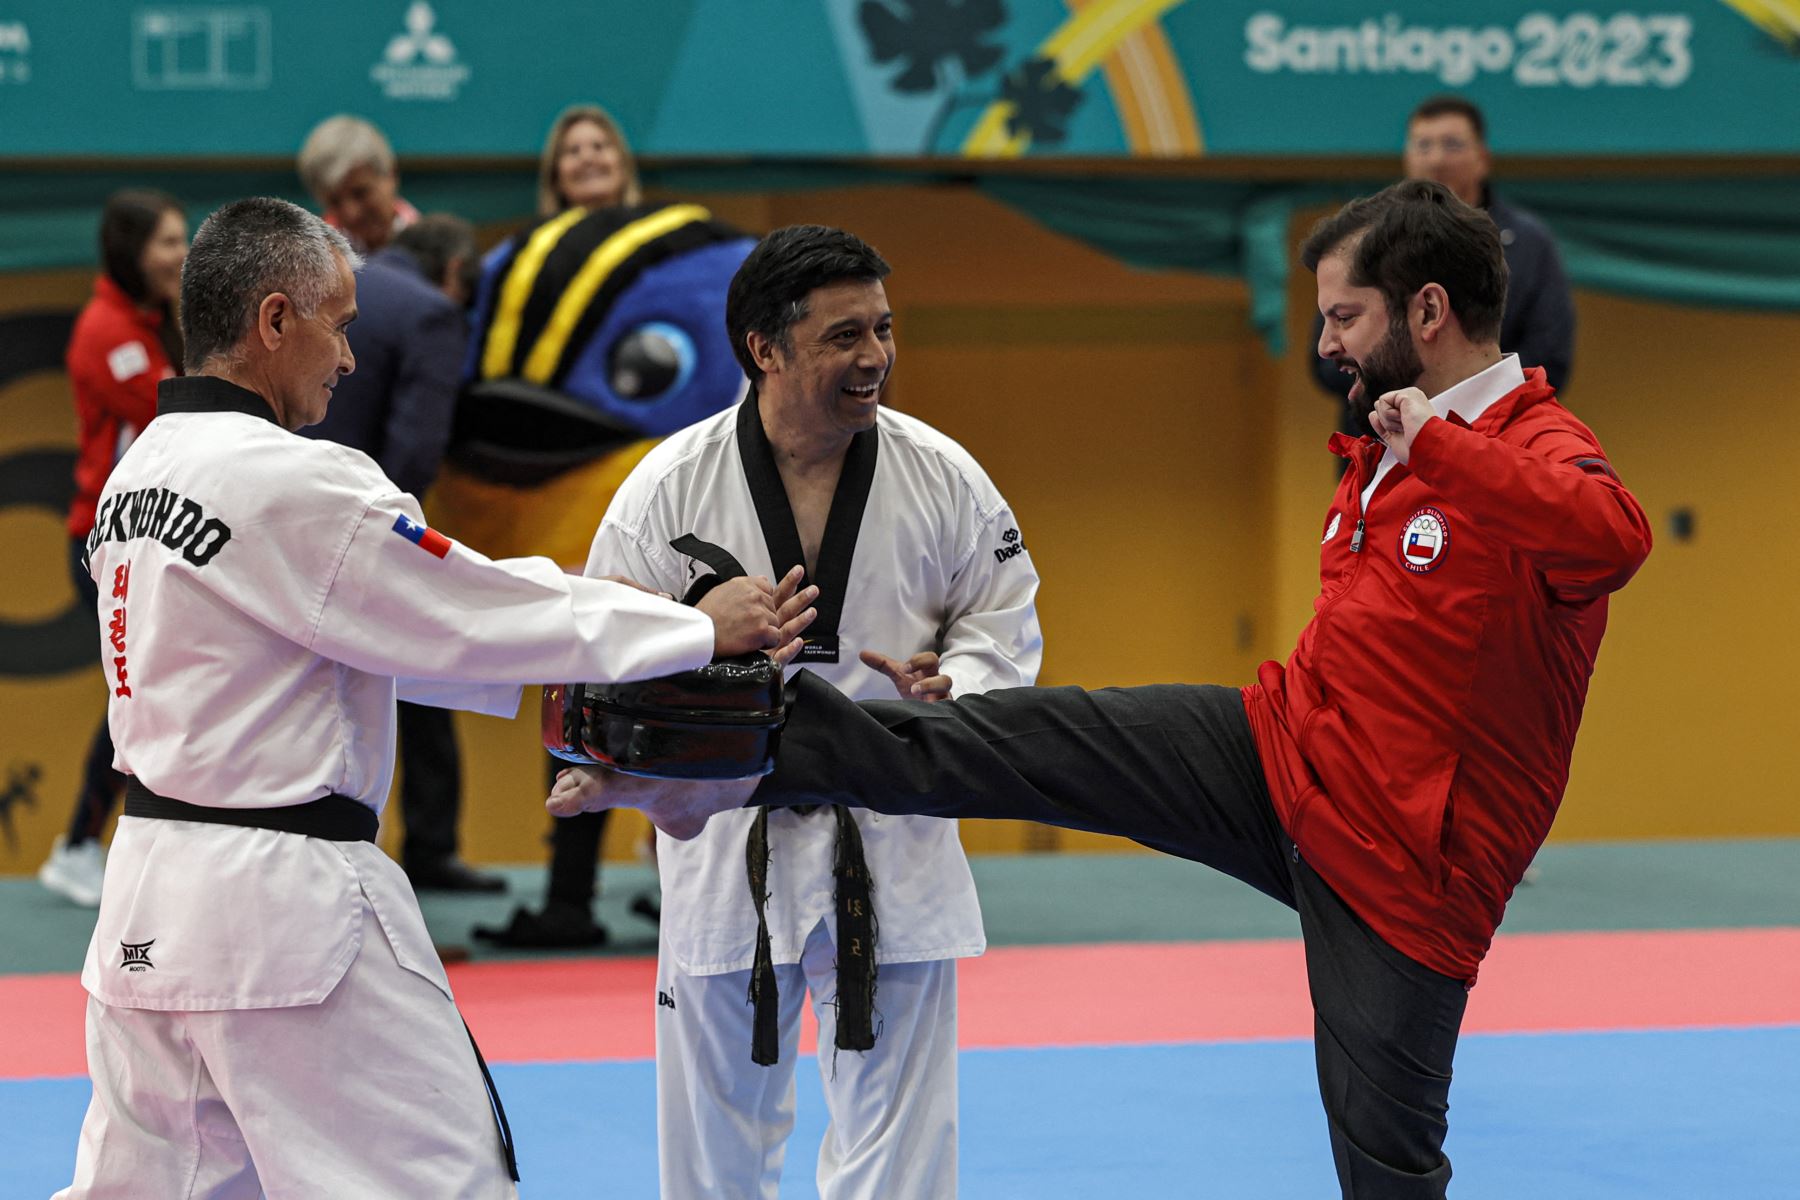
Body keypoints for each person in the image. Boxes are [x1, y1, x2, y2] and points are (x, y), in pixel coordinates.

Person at [551, 180, 1654, 1200]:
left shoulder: (1524, 446)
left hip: (1409, 858)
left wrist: (1443, 448)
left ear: (1424, 312)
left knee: (1386, 1153)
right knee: (1029, 740)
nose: (1323, 346)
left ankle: (709, 765)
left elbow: (1611, 537)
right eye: (848, 332)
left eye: (1342, 318)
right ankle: (705, 766)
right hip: (1279, 751)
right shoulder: (1378, 449)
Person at [57, 196, 812, 1198]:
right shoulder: (299, 484)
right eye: (341, 323)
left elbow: (364, 642)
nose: (351, 358)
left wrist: (611, 625)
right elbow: (467, 610)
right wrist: (689, 625)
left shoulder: (137, 476)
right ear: (275, 321)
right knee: (444, 1184)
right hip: (285, 905)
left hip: (148, 901)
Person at [582, 224, 1041, 1198]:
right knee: (712, 1141)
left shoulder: (943, 476)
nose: (874, 357)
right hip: (723, 836)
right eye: (843, 336)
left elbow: (1002, 620)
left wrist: (956, 687)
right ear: (765, 347)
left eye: (882, 329)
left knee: (905, 1145)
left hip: (893, 823)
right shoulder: (667, 487)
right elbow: (593, 655)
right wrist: (697, 630)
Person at [472, 102, 659, 947]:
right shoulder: (518, 274)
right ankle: (571, 894)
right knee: (574, 715)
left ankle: (678, 873)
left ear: (622, 164)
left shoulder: (672, 264)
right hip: (558, 535)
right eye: (572, 151)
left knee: (676, 702)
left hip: (652, 525)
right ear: (555, 174)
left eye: (599, 147)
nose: (587, 159)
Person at [299, 212, 500, 893]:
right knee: (422, 675)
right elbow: (416, 446)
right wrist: (381, 534)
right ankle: (432, 846)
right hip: (361, 523)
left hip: (279, 519)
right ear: (453, 275)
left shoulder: (346, 286)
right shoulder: (433, 315)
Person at [39, 190, 187, 908]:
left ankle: (100, 841)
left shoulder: (155, 323)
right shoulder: (108, 332)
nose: (181, 254)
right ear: (133, 253)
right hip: (103, 543)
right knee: (138, 692)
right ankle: (75, 846)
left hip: (140, 537)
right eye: (167, 242)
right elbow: (175, 411)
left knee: (147, 690)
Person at [1314, 94, 1575, 435]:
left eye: (1452, 145)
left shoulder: (1527, 241)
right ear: (1406, 156)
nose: (1435, 159)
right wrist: (1394, 391)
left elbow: (1550, 354)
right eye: (1423, 146)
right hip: (1378, 442)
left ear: (1482, 158)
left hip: (1490, 439)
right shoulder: (1361, 241)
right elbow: (1326, 358)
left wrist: (1447, 408)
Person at [297, 114, 418, 254]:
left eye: (360, 193)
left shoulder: (434, 249)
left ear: (391, 175)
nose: (351, 213)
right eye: (335, 202)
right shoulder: (313, 258)